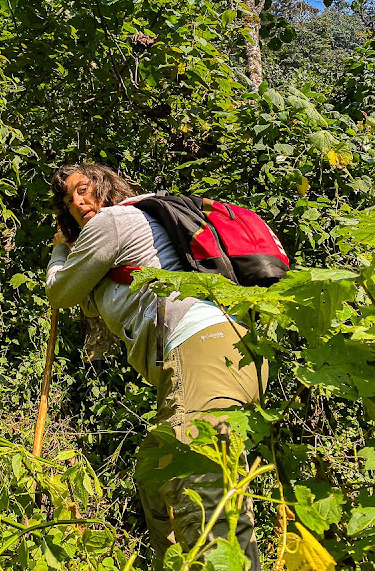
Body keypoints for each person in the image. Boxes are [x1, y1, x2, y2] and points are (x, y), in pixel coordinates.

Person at [46, 163, 267, 568]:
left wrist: (61, 248)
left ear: (104, 187)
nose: (77, 202)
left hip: (201, 348)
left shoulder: (114, 220)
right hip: (219, 352)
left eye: (83, 189)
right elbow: (89, 300)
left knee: (201, 493)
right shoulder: (121, 244)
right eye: (67, 200)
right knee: (157, 475)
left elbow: (60, 291)